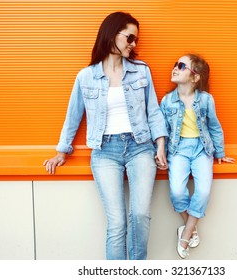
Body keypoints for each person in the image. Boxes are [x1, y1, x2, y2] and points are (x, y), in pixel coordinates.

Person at [43, 11, 168, 260]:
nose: (133, 44)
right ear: (112, 34)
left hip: (140, 147)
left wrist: (160, 146)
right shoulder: (86, 76)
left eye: (136, 40)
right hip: (105, 151)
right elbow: (73, 115)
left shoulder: (141, 71)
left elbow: (153, 111)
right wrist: (61, 151)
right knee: (117, 222)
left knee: (140, 214)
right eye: (129, 38)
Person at [158, 54, 234, 259]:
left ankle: (185, 235)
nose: (175, 68)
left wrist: (220, 152)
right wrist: (160, 153)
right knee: (177, 192)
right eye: (175, 64)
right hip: (178, 150)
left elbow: (214, 126)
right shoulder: (167, 101)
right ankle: (191, 227)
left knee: (202, 192)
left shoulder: (206, 99)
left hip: (202, 150)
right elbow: (161, 129)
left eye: (182, 66)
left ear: (195, 77)